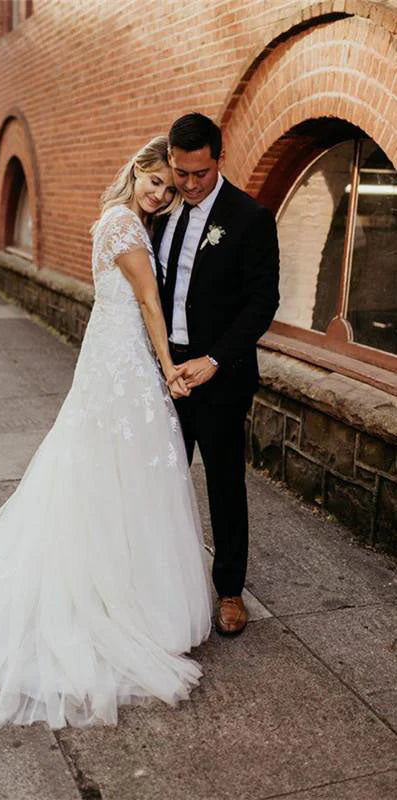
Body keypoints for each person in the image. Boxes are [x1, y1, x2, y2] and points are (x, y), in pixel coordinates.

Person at [0, 136, 212, 731]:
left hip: (109, 357)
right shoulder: (127, 227)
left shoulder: (113, 221)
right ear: (135, 171)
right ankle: (119, 600)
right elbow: (148, 301)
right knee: (127, 470)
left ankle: (126, 587)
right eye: (154, 181)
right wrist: (167, 368)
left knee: (106, 468)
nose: (161, 194)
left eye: (168, 186)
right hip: (125, 364)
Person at [153, 113, 280, 636]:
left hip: (219, 376)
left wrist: (213, 361)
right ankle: (162, 584)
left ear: (218, 160)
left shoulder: (250, 218)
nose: (188, 184)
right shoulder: (162, 213)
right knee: (162, 480)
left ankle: (229, 590)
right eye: (180, 173)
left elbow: (261, 303)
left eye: (198, 174)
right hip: (166, 374)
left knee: (225, 483)